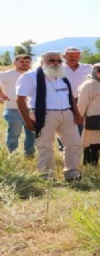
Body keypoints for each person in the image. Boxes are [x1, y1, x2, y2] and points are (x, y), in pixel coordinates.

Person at [15, 52, 83, 181]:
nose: (56, 63)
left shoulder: (62, 76)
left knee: (74, 144)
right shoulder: (30, 76)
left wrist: (77, 113)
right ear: (42, 62)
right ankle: (47, 176)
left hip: (66, 114)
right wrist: (27, 120)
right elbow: (20, 99)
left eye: (59, 61)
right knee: (45, 146)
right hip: (44, 114)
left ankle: (72, 174)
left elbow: (71, 97)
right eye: (51, 60)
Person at [0, 54, 36, 157]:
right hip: (13, 109)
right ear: (14, 63)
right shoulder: (7, 74)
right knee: (14, 134)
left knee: (32, 133)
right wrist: (1, 93)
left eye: (27, 62)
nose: (25, 64)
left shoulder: (33, 75)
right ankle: (12, 156)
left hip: (31, 109)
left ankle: (29, 155)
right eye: (21, 61)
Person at [58, 47, 93, 151]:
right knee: (64, 124)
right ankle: (63, 148)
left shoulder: (89, 68)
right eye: (70, 55)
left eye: (76, 55)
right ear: (64, 56)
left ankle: (80, 147)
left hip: (82, 100)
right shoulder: (57, 68)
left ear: (80, 56)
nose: (74, 58)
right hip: (63, 100)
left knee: (81, 123)